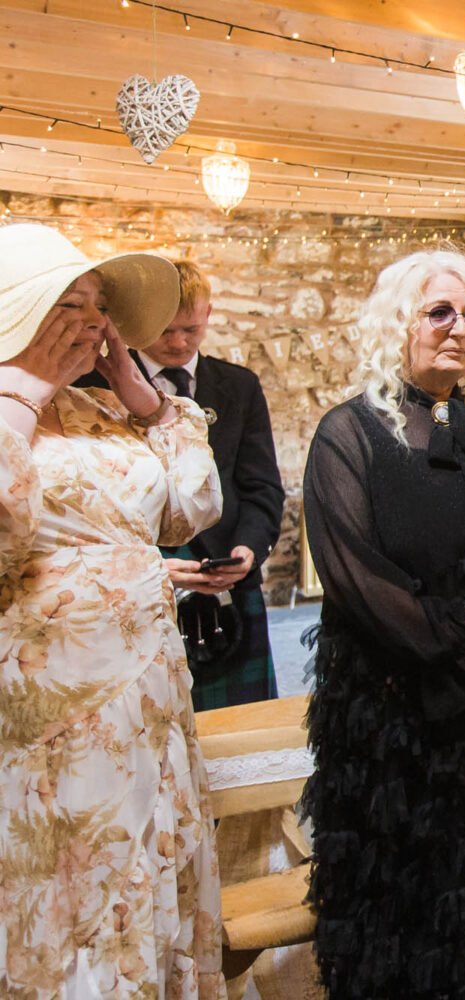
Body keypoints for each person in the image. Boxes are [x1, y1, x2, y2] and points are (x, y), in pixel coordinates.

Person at [300, 249, 465, 998]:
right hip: (400, 708)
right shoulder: (349, 435)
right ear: (399, 323)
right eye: (439, 311)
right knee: (411, 915)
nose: (460, 328)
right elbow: (357, 576)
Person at [0, 223, 225, 996]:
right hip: (53, 715)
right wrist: (23, 389)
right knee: (71, 895)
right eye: (72, 303)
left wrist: (148, 404)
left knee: (149, 879)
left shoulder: (105, 415)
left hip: (151, 698)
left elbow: (192, 506)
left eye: (99, 306)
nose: (93, 322)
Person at [77, 259, 285, 709]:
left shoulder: (240, 385)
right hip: (139, 587)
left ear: (208, 314)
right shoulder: (90, 386)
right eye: (165, 330)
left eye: (190, 329)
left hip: (227, 577)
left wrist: (249, 550)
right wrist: (144, 568)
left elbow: (261, 486)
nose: (177, 342)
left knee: (243, 731)